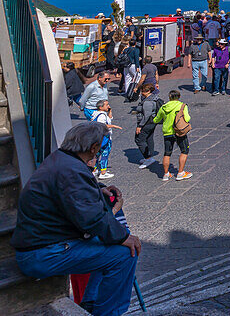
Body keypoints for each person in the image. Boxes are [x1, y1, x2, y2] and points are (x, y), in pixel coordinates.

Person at [11, 122, 140, 316]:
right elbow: (93, 219)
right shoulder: (72, 171)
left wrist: (96, 189)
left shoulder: (60, 159)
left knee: (104, 242)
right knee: (125, 254)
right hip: (41, 254)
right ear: (93, 148)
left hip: (39, 246)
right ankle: (108, 312)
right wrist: (124, 237)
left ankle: (90, 303)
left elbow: (70, 195)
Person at [151, 89, 193, 180]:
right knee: (184, 151)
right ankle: (180, 173)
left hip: (167, 132)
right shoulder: (182, 106)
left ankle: (166, 174)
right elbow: (187, 118)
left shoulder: (163, 107)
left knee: (167, 153)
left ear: (169, 97)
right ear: (179, 97)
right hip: (179, 131)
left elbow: (156, 120)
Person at [90, 100, 122, 180]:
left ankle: (94, 170)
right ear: (101, 107)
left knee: (97, 154)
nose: (108, 106)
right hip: (104, 138)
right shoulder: (101, 116)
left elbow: (109, 118)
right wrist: (113, 126)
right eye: (107, 105)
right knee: (105, 154)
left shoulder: (97, 114)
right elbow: (102, 125)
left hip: (98, 138)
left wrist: (110, 111)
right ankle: (103, 173)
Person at [133, 83, 160, 168]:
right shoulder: (154, 98)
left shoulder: (148, 102)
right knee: (149, 138)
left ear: (148, 91)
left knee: (139, 139)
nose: (141, 93)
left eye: (143, 91)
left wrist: (140, 126)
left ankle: (148, 158)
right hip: (152, 122)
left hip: (147, 123)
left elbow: (146, 115)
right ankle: (150, 156)